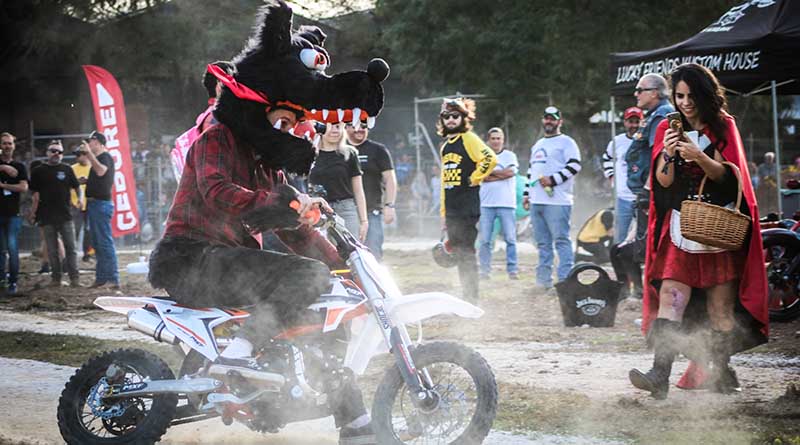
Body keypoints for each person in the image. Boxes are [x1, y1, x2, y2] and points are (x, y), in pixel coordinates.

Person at [148, 3, 389, 442]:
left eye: (297, 123)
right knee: (307, 277)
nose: (291, 129)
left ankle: (356, 427)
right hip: (191, 256)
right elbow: (218, 193)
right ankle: (239, 354)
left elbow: (295, 230)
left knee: (321, 317)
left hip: (230, 261)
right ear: (259, 108)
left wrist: (348, 265)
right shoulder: (217, 138)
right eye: (282, 118)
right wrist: (286, 205)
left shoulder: (270, 167)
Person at [629, 63, 769, 400]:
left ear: (705, 95)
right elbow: (662, 183)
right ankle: (658, 375)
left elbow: (730, 178)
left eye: (691, 95)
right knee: (670, 298)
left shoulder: (722, 126)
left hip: (718, 228)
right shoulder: (667, 126)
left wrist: (697, 156)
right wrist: (667, 152)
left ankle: (720, 374)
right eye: (679, 96)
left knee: (719, 310)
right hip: (681, 226)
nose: (686, 102)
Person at [439, 98, 497, 302]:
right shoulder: (446, 147)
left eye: (456, 116)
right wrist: (443, 213)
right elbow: (444, 181)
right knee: (457, 252)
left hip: (467, 208)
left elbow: (490, 158)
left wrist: (475, 177)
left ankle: (471, 298)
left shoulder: (468, 138)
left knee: (466, 253)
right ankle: (467, 295)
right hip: (453, 209)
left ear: (464, 118)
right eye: (447, 116)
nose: (451, 120)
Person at [522, 106, 582, 290]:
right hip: (537, 201)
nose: (549, 121)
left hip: (558, 201)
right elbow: (532, 171)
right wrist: (526, 194)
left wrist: (553, 180)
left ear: (559, 121)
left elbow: (575, 166)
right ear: (543, 120)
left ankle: (565, 281)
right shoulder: (538, 144)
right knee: (542, 243)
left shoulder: (567, 142)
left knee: (561, 240)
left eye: (553, 119)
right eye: (546, 118)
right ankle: (543, 282)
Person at [625, 73, 674, 234]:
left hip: (653, 193)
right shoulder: (655, 113)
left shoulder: (662, 114)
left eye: (640, 90)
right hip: (648, 192)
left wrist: (647, 190)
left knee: (643, 246)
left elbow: (659, 155)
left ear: (654, 93)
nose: (635, 94)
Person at [29, 140, 81, 287]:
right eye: (53, 150)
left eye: (59, 152)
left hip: (65, 215)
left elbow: (77, 187)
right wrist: (33, 212)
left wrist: (79, 200)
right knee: (52, 251)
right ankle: (56, 279)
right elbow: (34, 194)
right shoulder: (38, 171)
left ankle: (74, 279)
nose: (56, 154)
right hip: (46, 216)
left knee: (71, 248)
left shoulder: (67, 169)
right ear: (47, 153)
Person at [346, 121, 397, 260]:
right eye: (354, 126)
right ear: (345, 127)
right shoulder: (339, 149)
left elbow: (390, 179)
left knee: (373, 255)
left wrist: (389, 205)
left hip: (372, 212)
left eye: (363, 126)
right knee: (346, 257)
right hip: (345, 213)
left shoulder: (378, 150)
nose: (359, 129)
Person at [309, 122, 368, 241]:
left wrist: (364, 220)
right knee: (322, 252)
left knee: (351, 250)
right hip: (317, 209)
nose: (334, 130)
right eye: (329, 126)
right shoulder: (310, 153)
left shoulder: (349, 154)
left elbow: (358, 189)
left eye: (338, 126)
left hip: (345, 209)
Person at [478, 127, 519, 280]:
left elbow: (511, 173)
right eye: (493, 138)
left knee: (510, 239)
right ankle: (484, 271)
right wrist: (500, 175)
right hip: (486, 204)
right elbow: (481, 176)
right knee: (485, 240)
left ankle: (513, 270)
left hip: (506, 203)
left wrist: (491, 174)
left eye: (498, 138)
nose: (496, 141)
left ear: (503, 140)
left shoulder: (510, 156)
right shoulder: (482, 156)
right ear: (488, 140)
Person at [85, 130, 120, 289]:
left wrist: (89, 155)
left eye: (90, 141)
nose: (88, 144)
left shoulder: (105, 156)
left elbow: (101, 171)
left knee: (104, 242)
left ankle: (113, 279)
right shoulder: (101, 158)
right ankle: (102, 278)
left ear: (98, 142)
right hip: (95, 204)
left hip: (100, 205)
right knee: (98, 243)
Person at [602, 107, 643, 243]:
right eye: (630, 122)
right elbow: (607, 159)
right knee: (621, 234)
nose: (634, 125)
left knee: (642, 233)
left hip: (641, 196)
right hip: (622, 197)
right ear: (625, 122)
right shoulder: (617, 141)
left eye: (637, 121)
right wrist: (612, 176)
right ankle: (620, 260)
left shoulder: (647, 140)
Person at [0, 132, 28, 295]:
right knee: (0, 250)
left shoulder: (20, 166)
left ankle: (13, 282)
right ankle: (1, 281)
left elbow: (23, 187)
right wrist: (3, 167)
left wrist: (4, 186)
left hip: (13, 214)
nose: (7, 146)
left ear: (14, 146)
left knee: (12, 249)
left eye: (10, 143)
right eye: (4, 143)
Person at [70, 142, 93, 262]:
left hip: (89, 204)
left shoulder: (92, 168)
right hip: (75, 204)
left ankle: (87, 254)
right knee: (75, 231)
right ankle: (72, 255)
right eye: (76, 155)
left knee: (89, 231)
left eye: (79, 155)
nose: (77, 157)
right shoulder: (72, 169)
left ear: (86, 155)